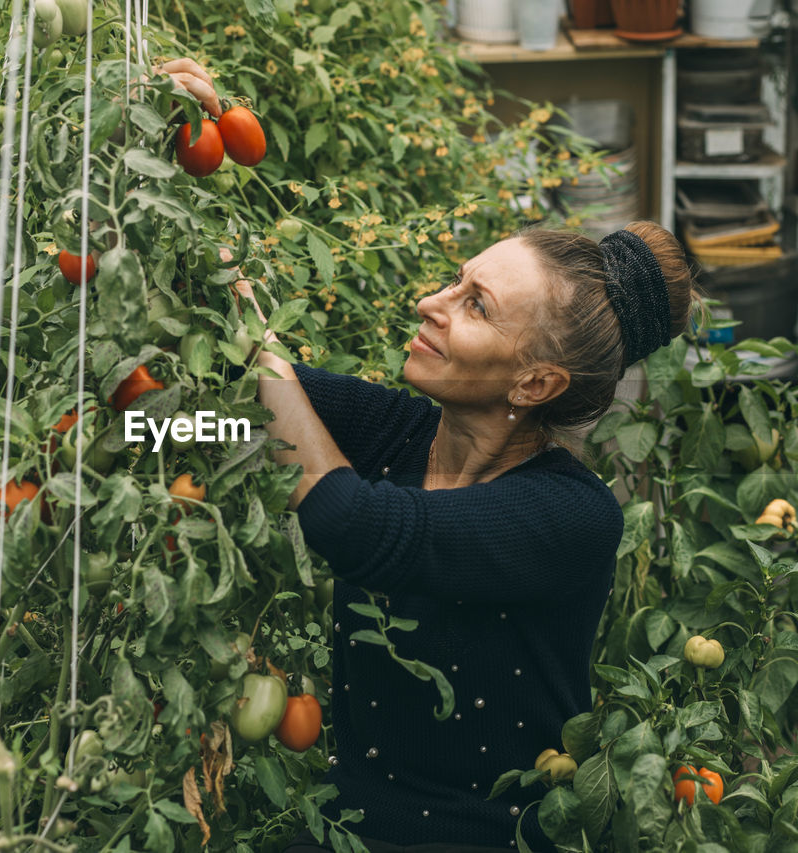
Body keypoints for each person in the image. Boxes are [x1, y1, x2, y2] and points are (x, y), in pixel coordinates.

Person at [228, 222, 697, 852]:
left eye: (475, 304)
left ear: (534, 383)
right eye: (456, 281)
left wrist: (264, 349)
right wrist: (146, 431)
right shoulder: (399, 434)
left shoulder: (570, 513)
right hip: (346, 833)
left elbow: (355, 525)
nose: (431, 303)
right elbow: (242, 419)